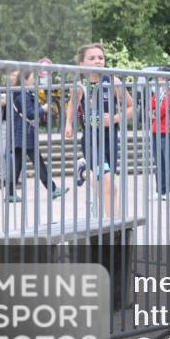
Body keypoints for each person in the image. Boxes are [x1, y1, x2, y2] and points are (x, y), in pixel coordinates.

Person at [64, 43, 133, 216]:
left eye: (101, 58)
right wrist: (68, 124)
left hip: (111, 137)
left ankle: (84, 171)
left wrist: (116, 118)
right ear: (82, 63)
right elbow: (72, 104)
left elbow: (132, 108)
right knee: (110, 185)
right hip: (91, 138)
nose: (97, 61)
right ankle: (113, 229)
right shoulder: (80, 86)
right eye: (92, 58)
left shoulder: (113, 82)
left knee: (108, 187)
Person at [7, 70, 66, 203]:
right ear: (25, 79)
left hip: (22, 132)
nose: (34, 80)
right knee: (38, 163)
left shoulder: (23, 93)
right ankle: (52, 189)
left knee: (18, 164)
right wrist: (43, 109)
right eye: (32, 78)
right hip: (25, 133)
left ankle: (10, 193)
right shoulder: (22, 94)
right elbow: (30, 113)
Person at [150, 78, 170, 199]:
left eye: (160, 78)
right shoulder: (157, 94)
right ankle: (161, 190)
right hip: (156, 131)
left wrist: (153, 112)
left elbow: (161, 111)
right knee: (159, 162)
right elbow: (150, 109)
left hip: (168, 131)